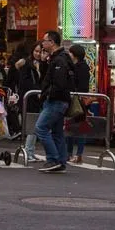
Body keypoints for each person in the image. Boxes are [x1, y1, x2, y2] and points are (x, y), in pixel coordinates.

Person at [34, 31, 73, 173]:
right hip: (58, 101)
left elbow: (59, 83)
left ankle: (52, 159)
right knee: (57, 132)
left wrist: (48, 94)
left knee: (41, 128)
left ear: (52, 42)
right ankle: (60, 161)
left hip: (56, 101)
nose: (43, 43)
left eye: (44, 41)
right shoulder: (57, 58)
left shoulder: (60, 60)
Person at [66, 44, 92, 164]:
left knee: (72, 127)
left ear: (74, 55)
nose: (69, 55)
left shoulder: (77, 68)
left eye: (70, 53)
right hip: (81, 101)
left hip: (76, 101)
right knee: (78, 128)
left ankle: (72, 153)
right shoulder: (84, 67)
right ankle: (77, 154)